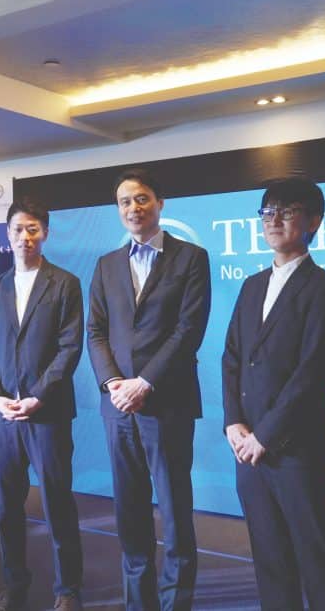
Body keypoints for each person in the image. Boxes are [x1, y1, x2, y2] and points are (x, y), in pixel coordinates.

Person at [221, 177, 325, 610]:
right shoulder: (252, 285)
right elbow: (232, 357)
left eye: (287, 211)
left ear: (314, 221)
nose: (274, 220)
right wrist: (234, 423)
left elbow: (312, 374)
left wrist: (265, 435)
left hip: (297, 451)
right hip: (248, 450)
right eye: (267, 212)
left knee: (317, 559)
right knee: (270, 560)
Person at [86, 168, 211, 611]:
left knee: (175, 512)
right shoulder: (106, 265)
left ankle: (176, 602)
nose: (133, 208)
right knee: (130, 512)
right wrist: (113, 383)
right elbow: (95, 331)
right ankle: (139, 602)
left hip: (168, 404)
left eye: (141, 199)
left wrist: (145, 382)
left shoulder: (191, 258)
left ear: (160, 203)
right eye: (124, 201)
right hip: (118, 408)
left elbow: (188, 329)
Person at [0, 198, 85, 611]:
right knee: (7, 510)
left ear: (45, 233)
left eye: (33, 229)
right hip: (4, 418)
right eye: (18, 229)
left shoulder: (65, 284)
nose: (25, 236)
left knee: (58, 504)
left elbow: (69, 349)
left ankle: (67, 590)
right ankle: (14, 586)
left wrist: (38, 396)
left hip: (48, 415)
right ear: (7, 234)